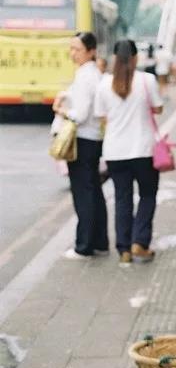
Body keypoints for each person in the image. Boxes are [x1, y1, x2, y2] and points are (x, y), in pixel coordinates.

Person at [94, 39, 163, 267]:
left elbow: (101, 116)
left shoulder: (104, 84)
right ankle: (140, 242)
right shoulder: (147, 80)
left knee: (122, 199)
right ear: (135, 58)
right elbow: (159, 108)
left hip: (115, 151)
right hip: (144, 150)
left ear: (115, 58)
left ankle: (123, 248)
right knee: (147, 195)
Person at [52, 32, 109, 259]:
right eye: (71, 48)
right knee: (93, 190)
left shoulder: (86, 76)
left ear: (91, 51)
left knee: (83, 193)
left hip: (83, 139)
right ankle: (99, 241)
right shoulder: (93, 74)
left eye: (77, 49)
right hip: (93, 139)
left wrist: (62, 111)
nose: (72, 53)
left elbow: (81, 114)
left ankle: (84, 245)